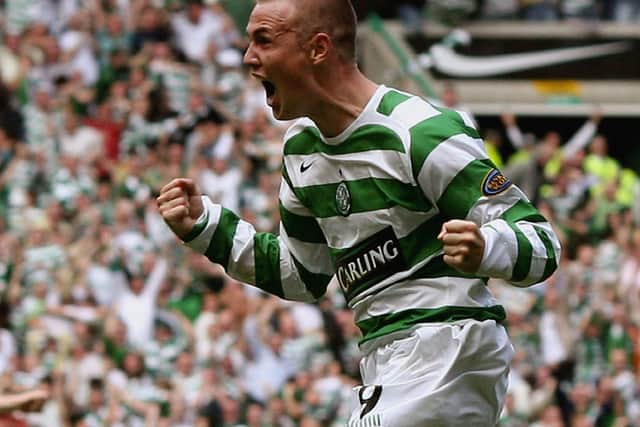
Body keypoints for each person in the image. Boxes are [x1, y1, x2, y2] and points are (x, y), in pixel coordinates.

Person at [157, 0, 561, 425]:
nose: (248, 57)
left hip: (450, 349)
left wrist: (486, 247)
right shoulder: (301, 152)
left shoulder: (418, 133)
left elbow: (541, 241)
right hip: (382, 360)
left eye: (263, 40)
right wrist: (205, 227)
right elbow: (300, 275)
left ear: (318, 49)